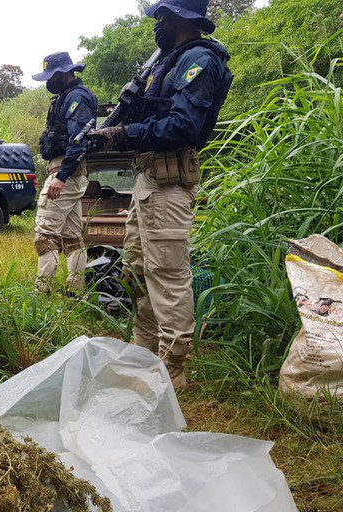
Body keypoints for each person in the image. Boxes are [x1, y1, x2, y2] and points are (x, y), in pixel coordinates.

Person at [83, 0, 233, 389]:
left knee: (167, 273)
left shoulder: (198, 59)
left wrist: (124, 134)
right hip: (147, 182)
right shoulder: (167, 61)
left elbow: (183, 125)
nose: (156, 26)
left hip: (169, 184)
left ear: (180, 19)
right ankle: (144, 352)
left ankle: (173, 368)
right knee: (136, 268)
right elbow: (153, 116)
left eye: (161, 18)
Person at [31, 53, 97, 295]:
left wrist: (61, 177)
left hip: (65, 173)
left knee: (45, 236)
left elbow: (79, 140)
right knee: (72, 238)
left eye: (52, 76)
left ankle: (42, 292)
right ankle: (76, 290)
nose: (49, 81)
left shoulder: (76, 98)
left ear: (65, 74)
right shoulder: (67, 97)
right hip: (69, 172)